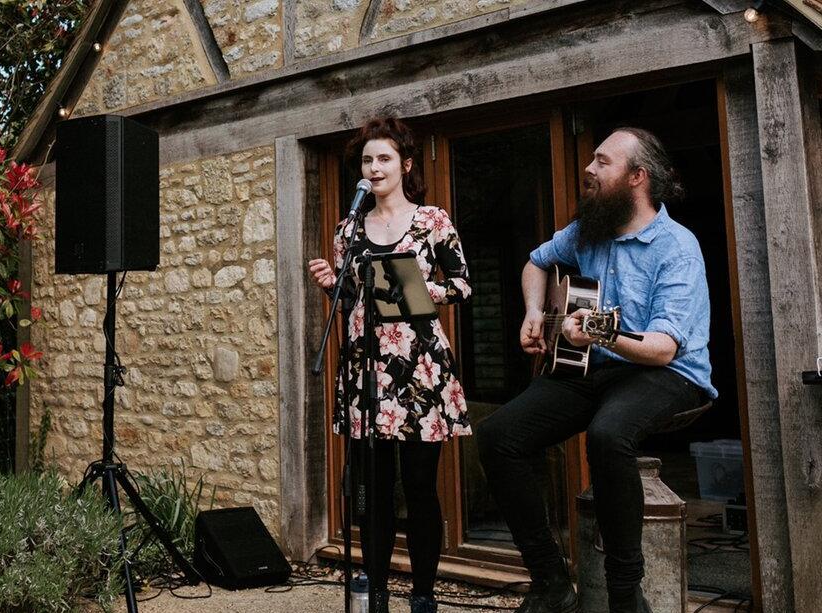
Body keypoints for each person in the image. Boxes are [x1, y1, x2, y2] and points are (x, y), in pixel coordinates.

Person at [476, 127, 717, 613]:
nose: (588, 169)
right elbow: (535, 262)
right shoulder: (590, 229)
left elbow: (663, 348)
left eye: (602, 162)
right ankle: (550, 582)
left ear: (637, 177)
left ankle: (625, 592)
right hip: (593, 367)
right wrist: (532, 311)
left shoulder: (677, 246)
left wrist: (603, 333)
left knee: (608, 436)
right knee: (498, 435)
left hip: (668, 373)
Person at [307, 116, 472, 613]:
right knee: (372, 492)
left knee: (419, 488)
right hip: (366, 373)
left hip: (419, 373)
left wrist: (413, 292)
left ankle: (423, 595)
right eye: (366, 160)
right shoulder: (348, 229)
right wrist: (331, 282)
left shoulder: (432, 221)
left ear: (405, 165)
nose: (374, 167)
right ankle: (375, 594)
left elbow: (463, 285)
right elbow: (355, 296)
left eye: (383, 158)